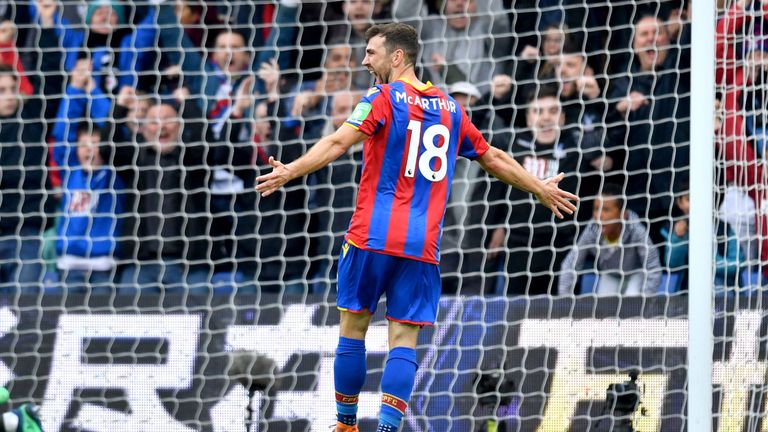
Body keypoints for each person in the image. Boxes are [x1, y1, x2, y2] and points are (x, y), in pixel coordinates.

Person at [255, 23, 577, 432]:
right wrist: (539, 188)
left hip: (370, 236)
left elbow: (338, 142)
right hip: (420, 245)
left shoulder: (382, 97)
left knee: (352, 329)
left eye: (371, 53)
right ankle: (389, 429)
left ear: (397, 56)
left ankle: (347, 425)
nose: (365, 60)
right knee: (404, 342)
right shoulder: (450, 108)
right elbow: (492, 156)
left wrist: (290, 171)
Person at [558, 183, 662, 296]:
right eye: (596, 209)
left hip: (636, 273)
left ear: (623, 213)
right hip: (610, 274)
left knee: (633, 301)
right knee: (604, 307)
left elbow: (653, 267)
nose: (599, 216)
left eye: (606, 210)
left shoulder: (636, 230)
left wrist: (645, 299)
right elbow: (570, 263)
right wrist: (565, 299)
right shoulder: (593, 229)